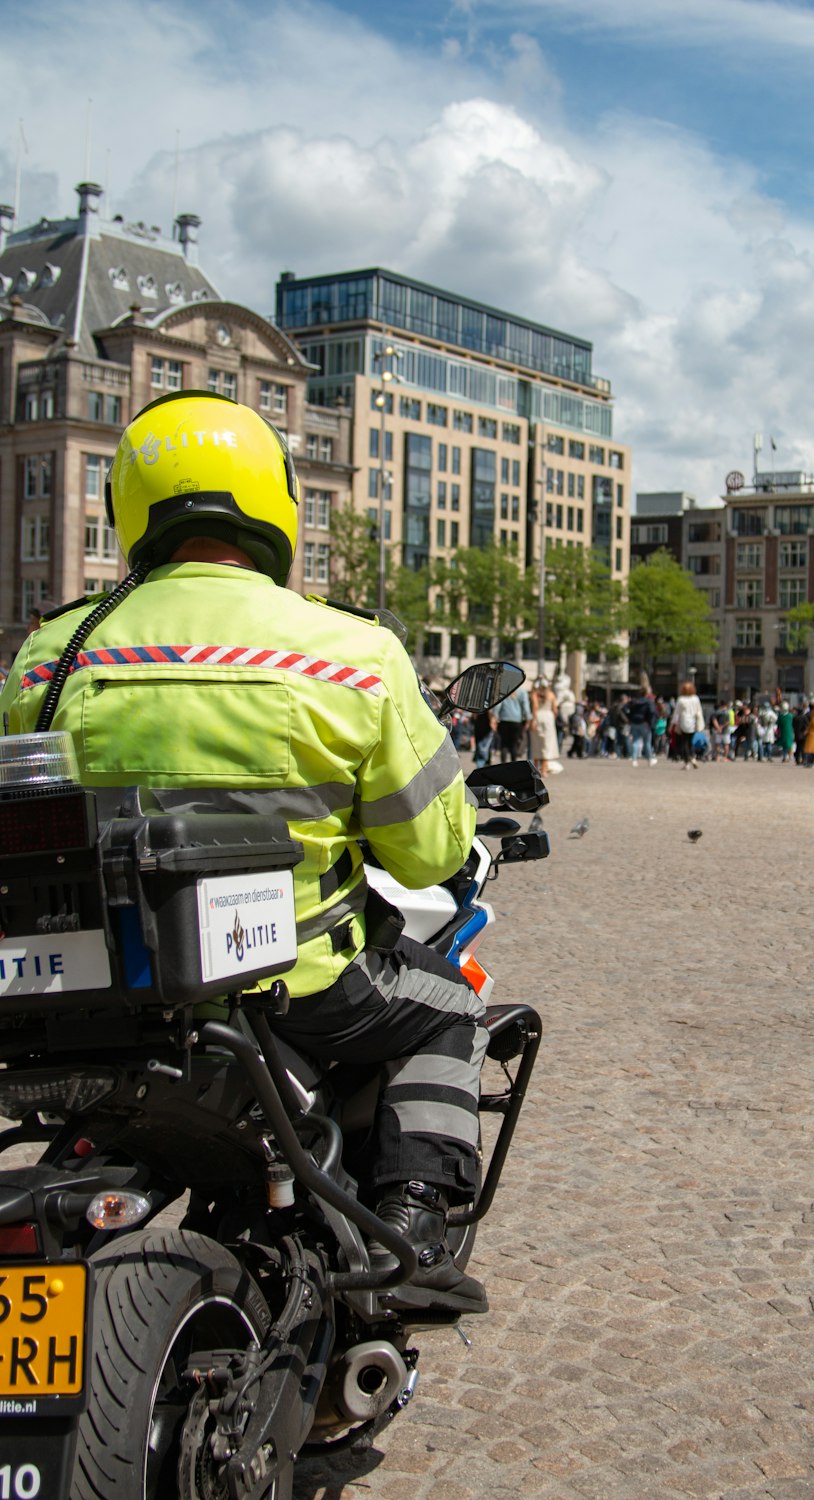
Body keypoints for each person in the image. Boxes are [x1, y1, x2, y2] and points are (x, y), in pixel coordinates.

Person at [0, 392, 489, 1316]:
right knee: (450, 1009)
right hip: (287, 985)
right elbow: (428, 855)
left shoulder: (48, 655)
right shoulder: (351, 654)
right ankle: (414, 1220)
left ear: (131, 506)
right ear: (276, 502)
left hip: (93, 987)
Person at [494, 676, 532, 762]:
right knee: (514, 744)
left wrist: (495, 717)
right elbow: (526, 707)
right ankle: (513, 763)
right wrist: (528, 719)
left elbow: (497, 706)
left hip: (504, 719)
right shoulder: (522, 692)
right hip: (516, 721)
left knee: (504, 744)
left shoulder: (503, 691)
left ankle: (503, 764)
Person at [670, 679, 705, 770]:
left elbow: (676, 713)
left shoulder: (681, 699)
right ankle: (693, 757)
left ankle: (687, 761)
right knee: (690, 741)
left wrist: (672, 724)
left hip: (684, 722)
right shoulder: (696, 698)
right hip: (693, 722)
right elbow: (699, 711)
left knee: (684, 742)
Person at [530, 677, 560, 775]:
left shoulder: (534, 694)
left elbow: (534, 707)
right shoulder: (551, 695)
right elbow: (555, 709)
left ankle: (536, 768)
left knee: (536, 744)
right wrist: (553, 717)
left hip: (538, 717)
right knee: (547, 744)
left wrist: (533, 720)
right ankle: (544, 770)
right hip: (548, 718)